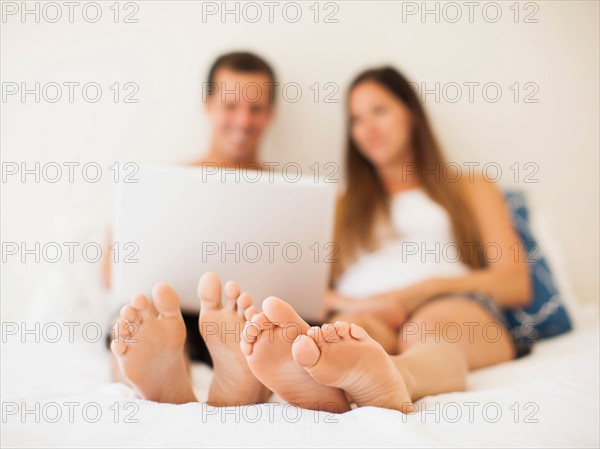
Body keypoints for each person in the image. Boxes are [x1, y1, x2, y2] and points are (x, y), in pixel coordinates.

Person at [110, 66, 533, 413]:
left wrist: (423, 289)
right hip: (365, 306)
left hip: (446, 303)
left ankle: (393, 379)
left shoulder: (468, 186)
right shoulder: (344, 204)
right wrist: (352, 306)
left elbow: (515, 282)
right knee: (341, 340)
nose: (366, 128)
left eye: (378, 111)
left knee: (428, 332)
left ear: (411, 112)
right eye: (356, 119)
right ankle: (318, 386)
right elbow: (311, 285)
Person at [105, 51, 277, 389]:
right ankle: (157, 374)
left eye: (255, 109)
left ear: (270, 114)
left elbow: (317, 286)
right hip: (171, 313)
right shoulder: (162, 182)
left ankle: (234, 373)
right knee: (135, 321)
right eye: (230, 106)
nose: (243, 121)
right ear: (208, 105)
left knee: (272, 328)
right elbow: (111, 272)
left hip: (249, 315)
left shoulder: (292, 196)